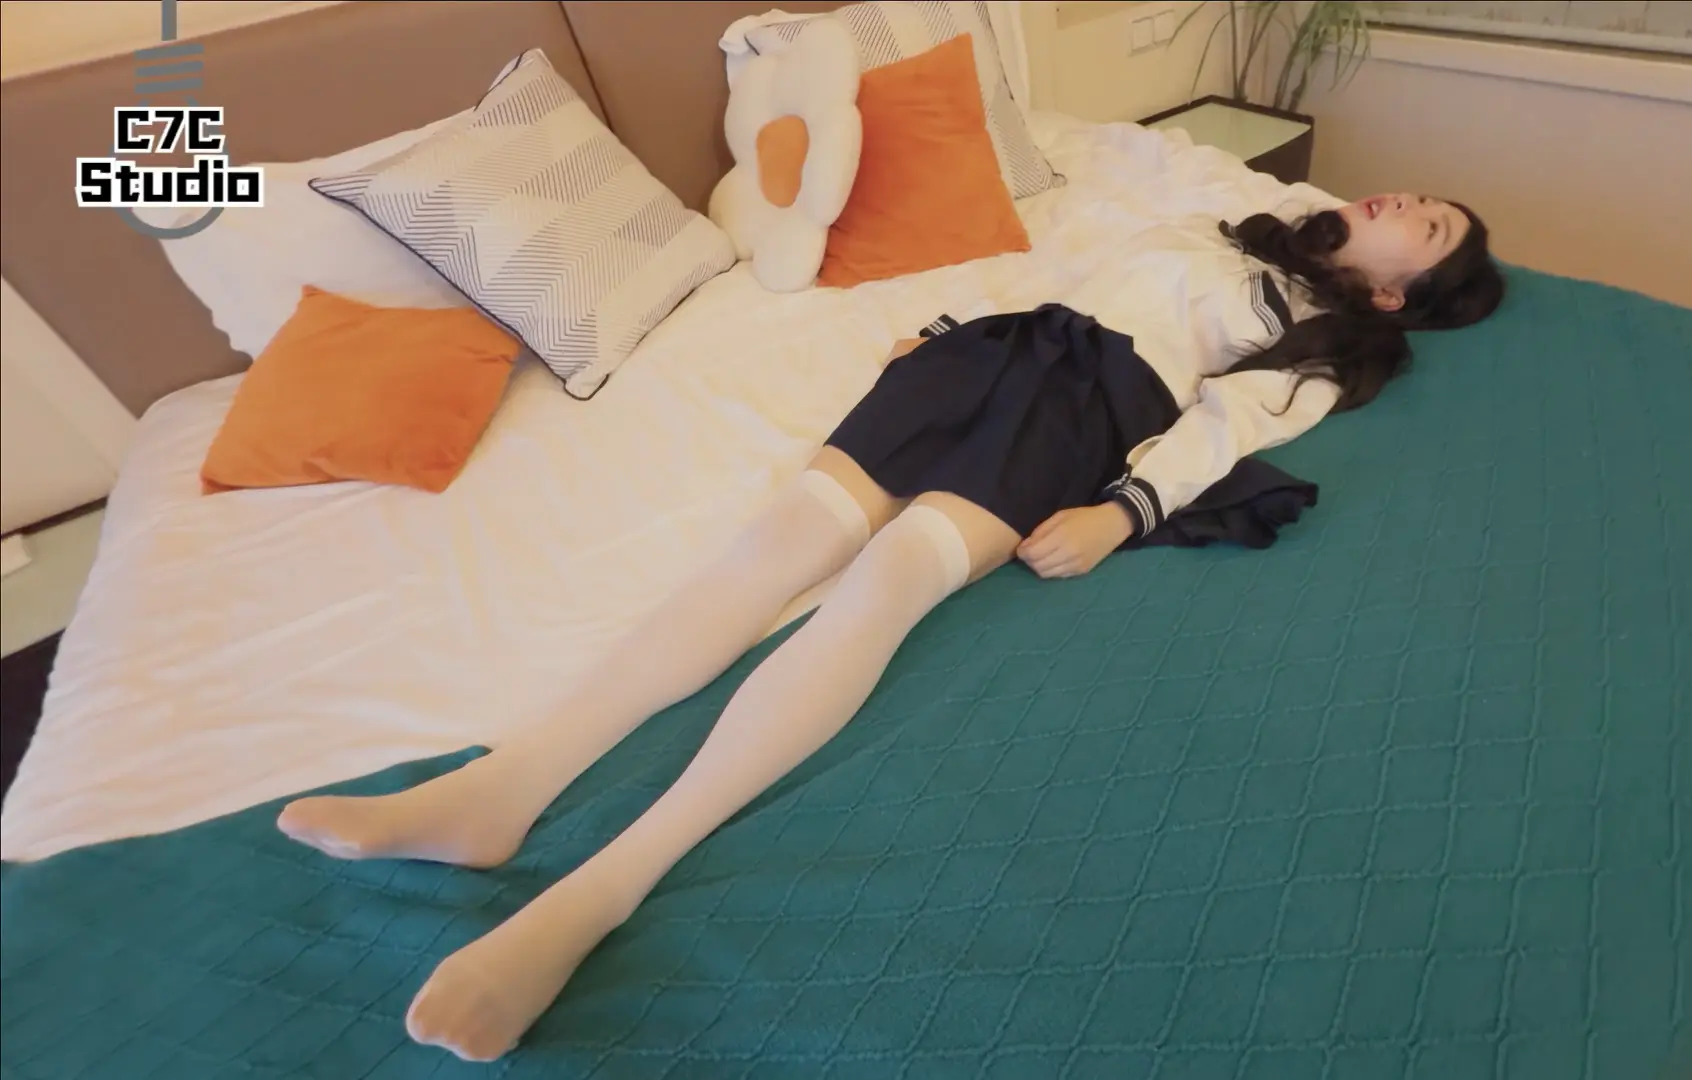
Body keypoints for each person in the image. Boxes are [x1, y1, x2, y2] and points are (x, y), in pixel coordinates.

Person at [277, 187, 1505, 1062]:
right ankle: (499, 791)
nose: (1407, 200)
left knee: (890, 580)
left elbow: (1230, 427)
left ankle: (595, 895)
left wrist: (1122, 512)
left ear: (1402, 290)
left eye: (1430, 225)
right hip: (988, 358)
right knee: (774, 549)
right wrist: (954, 336)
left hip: (1090, 407)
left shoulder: (1331, 340)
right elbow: (1082, 279)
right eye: (1419, 198)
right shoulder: (1237, 224)